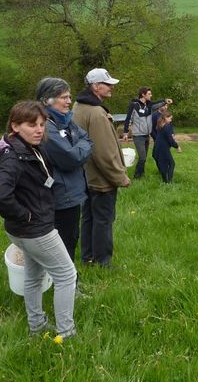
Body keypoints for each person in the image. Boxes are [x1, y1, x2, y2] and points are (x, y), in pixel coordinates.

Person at [0, 101, 77, 338]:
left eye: (41, 124)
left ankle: (36, 326)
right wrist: (25, 214)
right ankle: (67, 333)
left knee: (34, 275)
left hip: (23, 230)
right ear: (15, 126)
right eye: (31, 125)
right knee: (66, 275)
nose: (39, 129)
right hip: (35, 230)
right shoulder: (13, 157)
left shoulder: (29, 147)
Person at [72, 68, 130, 267]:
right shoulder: (96, 113)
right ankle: (103, 262)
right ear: (96, 87)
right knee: (103, 220)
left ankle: (88, 257)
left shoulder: (79, 106)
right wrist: (119, 176)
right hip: (100, 179)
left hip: (85, 176)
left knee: (88, 217)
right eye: (107, 84)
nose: (112, 87)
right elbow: (103, 152)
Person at [37, 77, 93, 262]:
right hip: (61, 194)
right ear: (47, 101)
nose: (69, 101)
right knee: (64, 242)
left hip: (71, 190)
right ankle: (68, 284)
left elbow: (87, 138)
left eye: (69, 96)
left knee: (70, 237)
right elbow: (71, 158)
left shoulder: (65, 120)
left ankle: (65, 281)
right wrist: (82, 146)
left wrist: (81, 144)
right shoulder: (45, 126)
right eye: (63, 97)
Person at [122, 87, 172, 179]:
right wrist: (125, 133)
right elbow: (128, 118)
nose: (151, 95)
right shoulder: (134, 105)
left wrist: (165, 101)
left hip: (146, 135)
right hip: (138, 136)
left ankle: (142, 174)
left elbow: (157, 103)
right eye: (149, 94)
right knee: (142, 157)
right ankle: (136, 176)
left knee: (143, 158)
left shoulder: (149, 105)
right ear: (143, 95)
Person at [152, 111, 181, 183]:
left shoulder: (160, 125)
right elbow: (170, 140)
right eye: (170, 118)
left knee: (163, 164)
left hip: (158, 147)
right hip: (163, 148)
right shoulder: (166, 126)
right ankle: (169, 181)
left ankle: (165, 180)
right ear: (165, 118)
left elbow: (166, 136)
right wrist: (177, 147)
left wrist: (171, 136)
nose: (171, 120)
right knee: (171, 163)